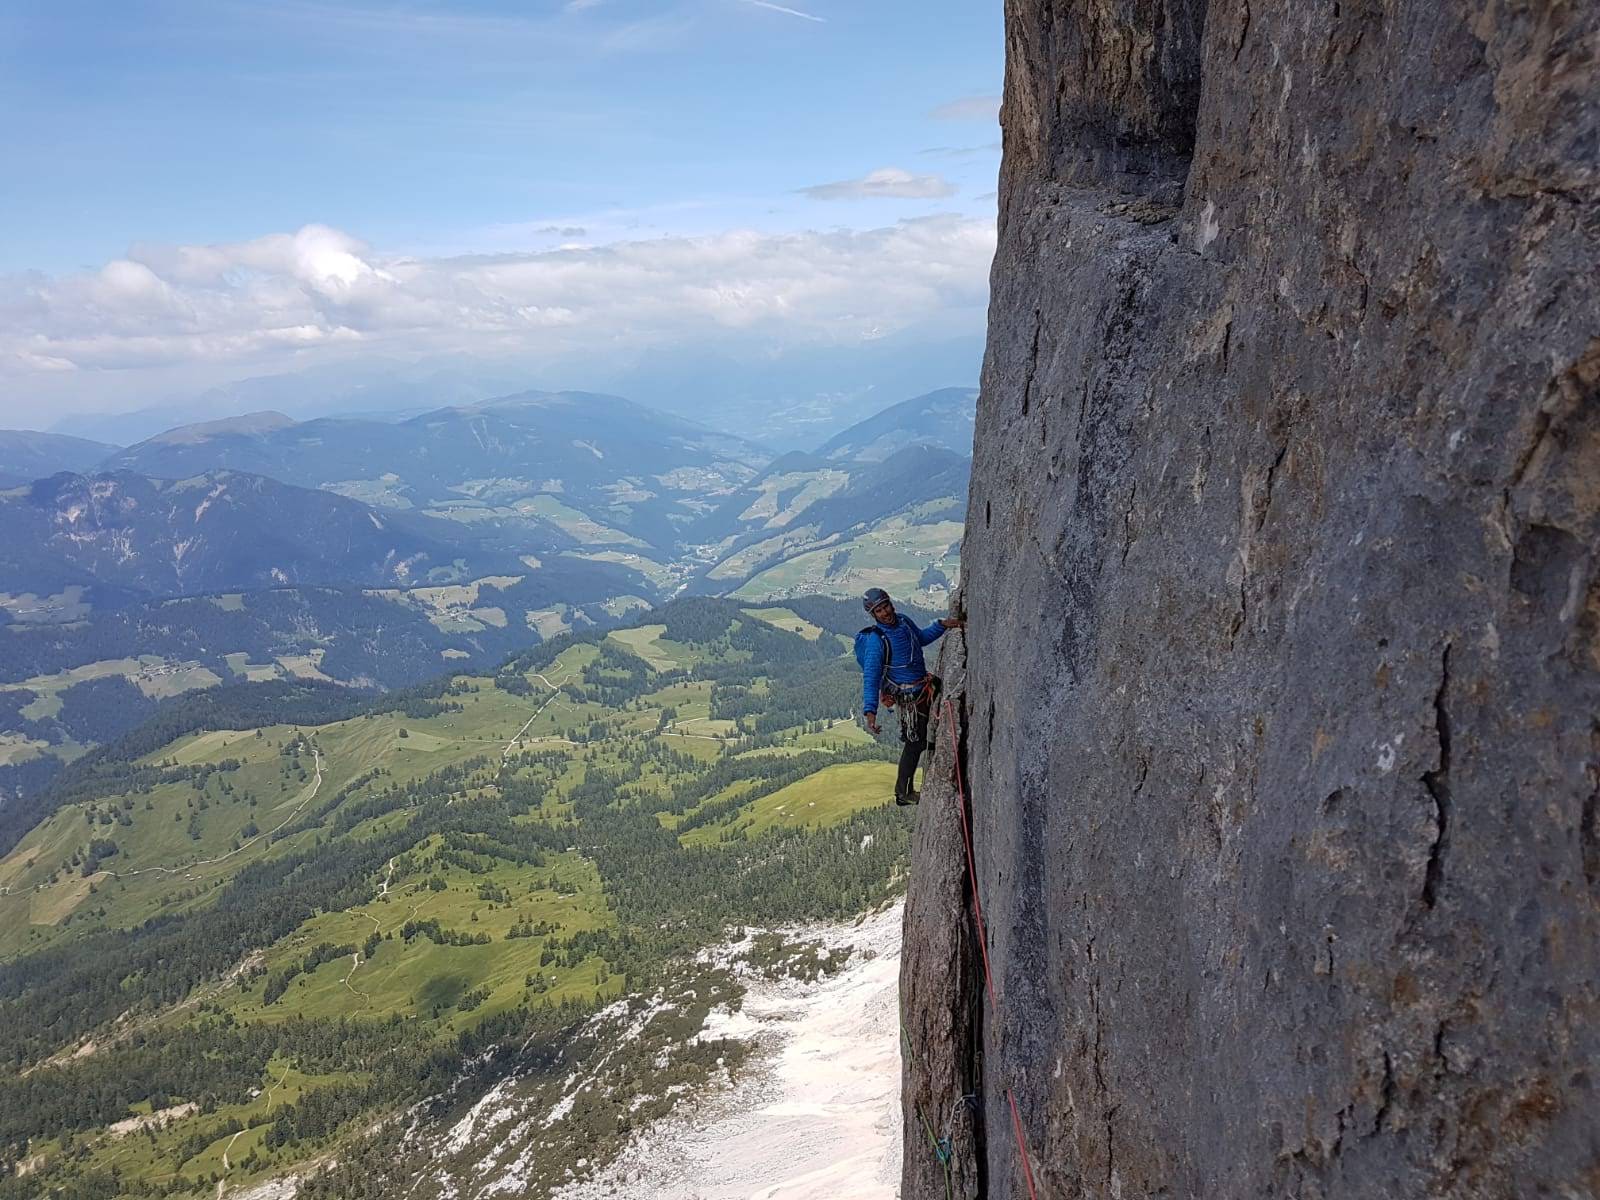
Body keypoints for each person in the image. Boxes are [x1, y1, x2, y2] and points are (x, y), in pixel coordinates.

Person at [856, 587, 964, 805]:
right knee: (914, 744)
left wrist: (941, 626)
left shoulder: (903, 622)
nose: (885, 612)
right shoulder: (878, 641)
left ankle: (931, 744)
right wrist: (870, 711)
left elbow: (920, 639)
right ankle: (903, 793)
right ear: (873, 615)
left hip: (922, 688)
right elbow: (871, 676)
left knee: (920, 737)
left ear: (890, 603)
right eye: (879, 611)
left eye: (885, 606)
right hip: (909, 700)